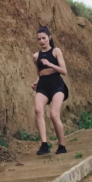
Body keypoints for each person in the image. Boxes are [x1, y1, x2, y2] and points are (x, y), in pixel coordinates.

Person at [31, 26, 69, 155]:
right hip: (43, 85)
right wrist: (36, 81)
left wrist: (50, 64)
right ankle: (44, 144)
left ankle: (62, 145)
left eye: (43, 38)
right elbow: (39, 72)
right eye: (39, 39)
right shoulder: (36, 56)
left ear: (49, 38)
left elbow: (64, 71)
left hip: (57, 84)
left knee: (53, 114)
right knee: (38, 110)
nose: (41, 41)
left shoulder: (56, 51)